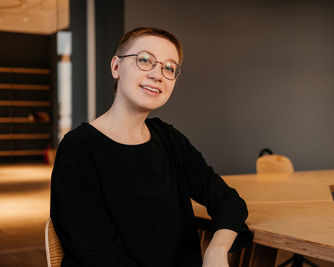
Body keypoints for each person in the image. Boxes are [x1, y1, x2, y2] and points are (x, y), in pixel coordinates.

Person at [50, 27, 252, 267]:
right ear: (116, 67)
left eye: (169, 68)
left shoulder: (169, 138)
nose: (158, 74)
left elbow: (228, 201)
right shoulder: (79, 148)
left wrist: (216, 250)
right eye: (144, 60)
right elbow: (96, 254)